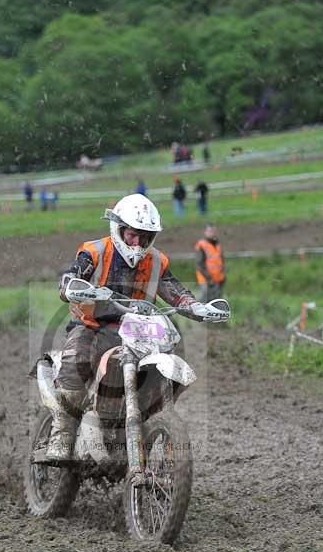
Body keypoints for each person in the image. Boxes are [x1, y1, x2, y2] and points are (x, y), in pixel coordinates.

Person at [45, 194, 227, 463]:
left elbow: (174, 290)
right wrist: (72, 287)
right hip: (93, 325)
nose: (138, 242)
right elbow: (71, 277)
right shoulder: (95, 252)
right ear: (118, 228)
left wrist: (196, 306)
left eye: (144, 236)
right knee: (78, 361)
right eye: (132, 235)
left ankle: (150, 424)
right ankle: (62, 432)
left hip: (140, 329)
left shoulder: (156, 261)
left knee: (166, 365)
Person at [195, 224, 226, 303]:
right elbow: (199, 264)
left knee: (216, 300)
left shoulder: (217, 244)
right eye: (210, 231)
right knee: (204, 298)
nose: (212, 233)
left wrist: (223, 275)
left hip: (217, 277)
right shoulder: (201, 244)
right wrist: (208, 277)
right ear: (205, 232)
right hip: (205, 278)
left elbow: (221, 260)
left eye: (213, 231)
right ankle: (194, 312)